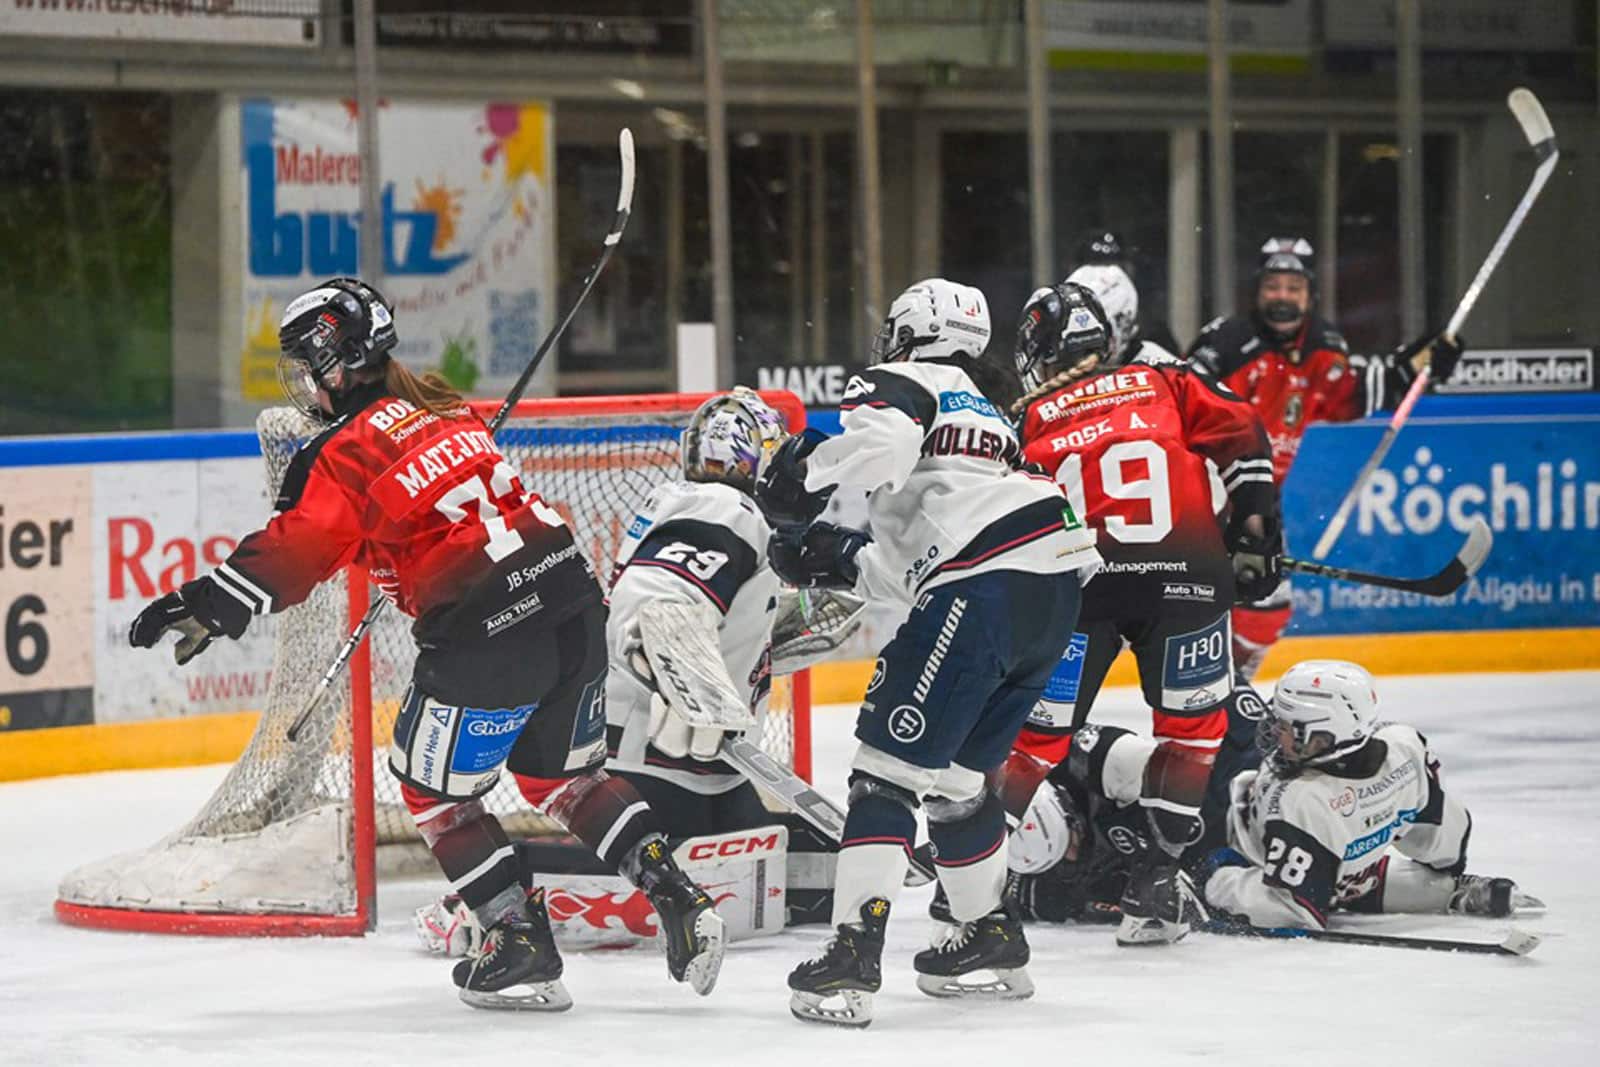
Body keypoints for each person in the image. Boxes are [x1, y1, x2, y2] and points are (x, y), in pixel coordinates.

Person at [127, 277, 723, 1011]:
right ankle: (682, 896)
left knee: (432, 793)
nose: (301, 380)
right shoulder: (447, 410)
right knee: (565, 781)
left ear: (334, 359)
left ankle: (517, 939)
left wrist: (204, 604)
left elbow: (295, 548)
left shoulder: (342, 451)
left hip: (488, 628)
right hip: (573, 605)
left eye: (303, 362)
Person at [756, 277, 1102, 1028]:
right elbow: (924, 555)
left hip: (985, 588)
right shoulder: (990, 411)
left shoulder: (899, 380)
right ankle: (988, 935)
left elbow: (882, 444)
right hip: (1053, 589)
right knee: (955, 780)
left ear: (907, 330)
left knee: (884, 777)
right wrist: (840, 554)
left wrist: (802, 484)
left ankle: (852, 951)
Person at [412, 389, 852, 955]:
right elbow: (655, 598)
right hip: (655, 756)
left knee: (800, 874)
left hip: (708, 767)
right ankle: (488, 906)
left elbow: (709, 611)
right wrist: (677, 661)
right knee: (689, 875)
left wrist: (779, 632)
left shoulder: (706, 507)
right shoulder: (724, 508)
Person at [999, 274, 1281, 946]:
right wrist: (1253, 529)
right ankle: (1157, 878)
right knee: (1193, 732)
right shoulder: (1164, 380)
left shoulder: (1025, 420)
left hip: (1082, 581)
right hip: (1185, 570)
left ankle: (971, 877)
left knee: (1032, 738)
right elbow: (1245, 433)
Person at [1186, 238, 1467, 682]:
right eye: (1273, 285)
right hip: (1208, 489)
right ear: (1258, 290)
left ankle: (1225, 686)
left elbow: (1353, 395)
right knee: (1202, 599)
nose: (1282, 296)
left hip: (1263, 501)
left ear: (1309, 293)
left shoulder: (1323, 346)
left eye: (1293, 287)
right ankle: (1205, 686)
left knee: (1265, 610)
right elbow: (1182, 404)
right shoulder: (1228, 341)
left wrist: (1419, 365)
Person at [1198, 659, 1541, 930]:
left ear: (1322, 738)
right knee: (1221, 680)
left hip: (1223, 826)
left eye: (1286, 727)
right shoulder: (1404, 747)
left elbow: (1291, 911)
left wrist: (1215, 877)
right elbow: (1444, 842)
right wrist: (1447, 883)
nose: (1274, 731)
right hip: (1335, 868)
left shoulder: (1302, 801)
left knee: (1210, 677)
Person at [1073, 228, 1182, 355]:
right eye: (1093, 267)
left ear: (1130, 270)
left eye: (1114, 266)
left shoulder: (1152, 331)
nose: (1104, 277)